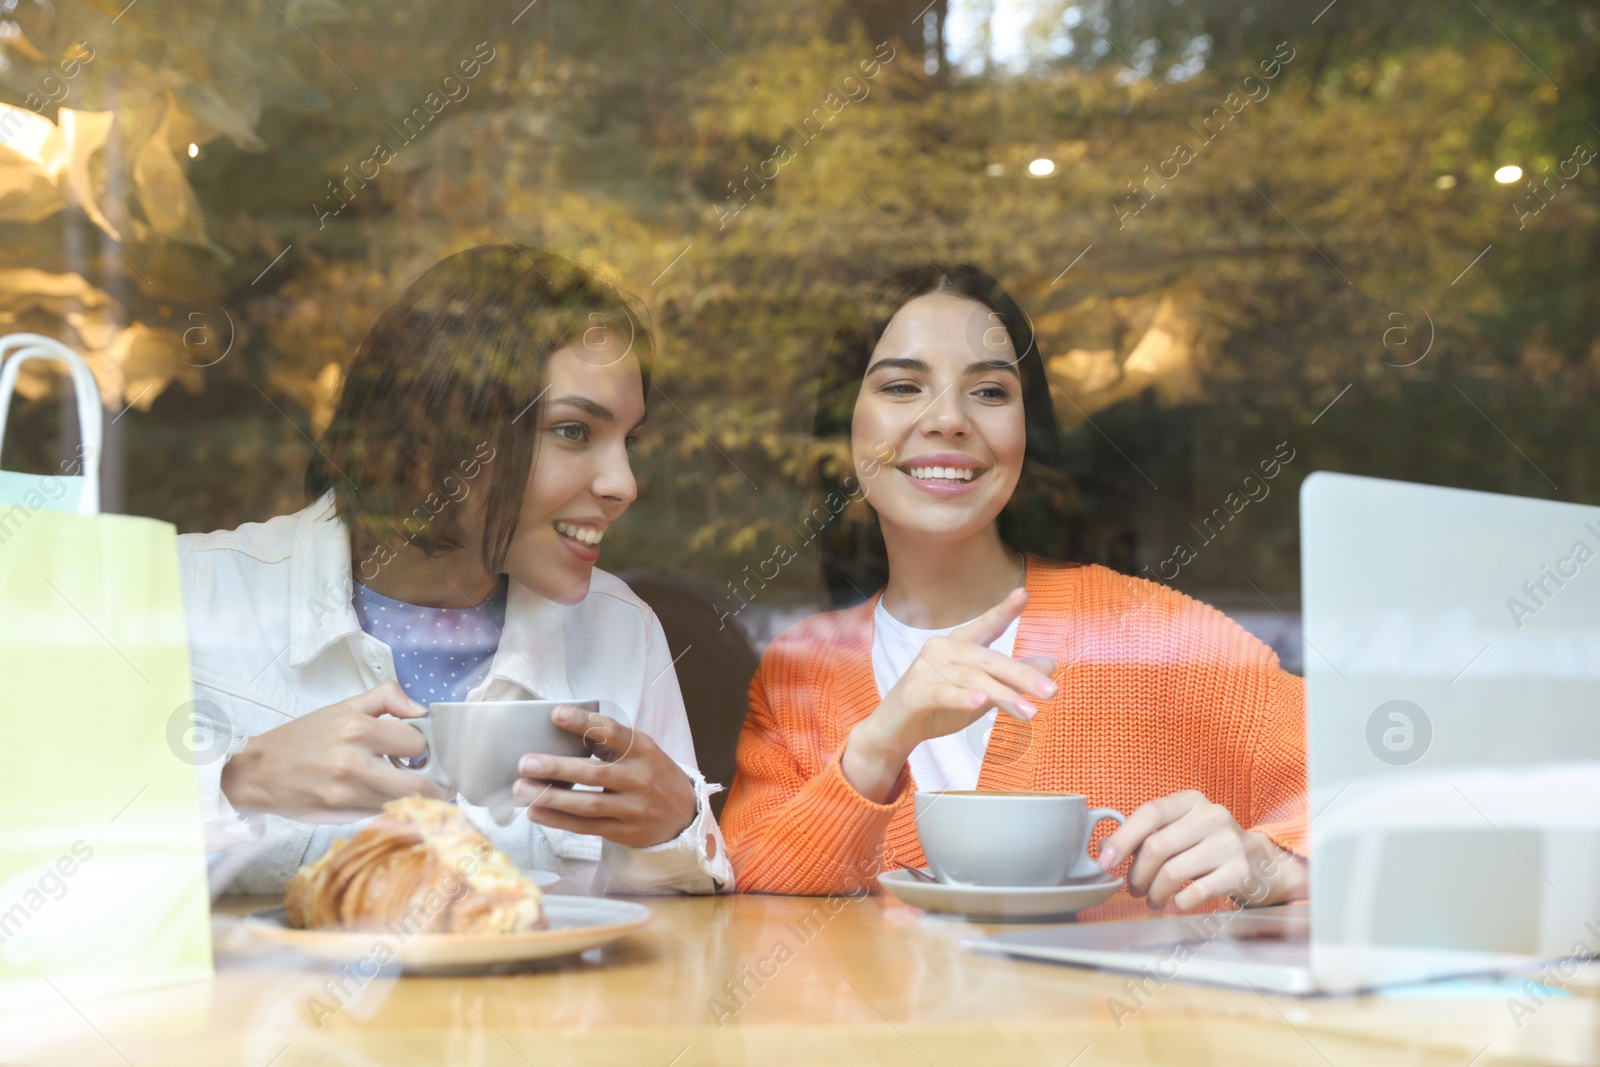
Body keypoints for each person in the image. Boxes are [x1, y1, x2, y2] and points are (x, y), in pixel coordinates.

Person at [720, 264, 1306, 917]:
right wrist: (881, 742)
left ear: (1029, 433)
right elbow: (743, 881)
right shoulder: (801, 668)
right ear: (844, 427)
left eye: (991, 392)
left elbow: (1385, 795)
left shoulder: (1146, 632)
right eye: (904, 385)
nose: (948, 418)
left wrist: (1272, 863)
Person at [182, 244, 731, 894]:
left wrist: (677, 827)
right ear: (430, 434)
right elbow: (51, 862)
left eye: (628, 442)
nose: (624, 483)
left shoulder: (622, 630)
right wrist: (234, 782)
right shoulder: (186, 593)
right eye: (575, 431)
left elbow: (679, 951)